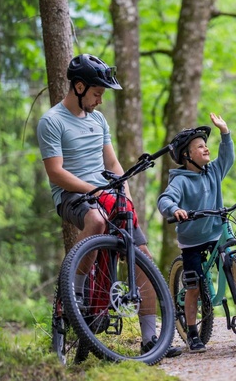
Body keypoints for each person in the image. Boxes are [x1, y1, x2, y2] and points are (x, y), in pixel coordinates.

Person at [37, 53, 182, 358]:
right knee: (98, 222)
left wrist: (124, 193)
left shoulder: (99, 120)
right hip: (73, 196)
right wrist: (95, 188)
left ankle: (150, 339)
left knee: (143, 255)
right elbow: (56, 172)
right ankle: (73, 288)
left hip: (105, 192)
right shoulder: (51, 121)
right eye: (96, 93)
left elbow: (113, 163)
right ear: (78, 87)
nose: (100, 101)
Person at [157, 113, 233, 353]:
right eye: (200, 147)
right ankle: (192, 332)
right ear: (187, 156)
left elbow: (227, 157)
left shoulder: (213, 171)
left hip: (213, 233)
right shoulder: (180, 181)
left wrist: (225, 133)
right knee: (194, 286)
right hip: (191, 241)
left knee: (231, 260)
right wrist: (175, 209)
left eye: (206, 145)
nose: (206, 149)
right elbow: (165, 199)